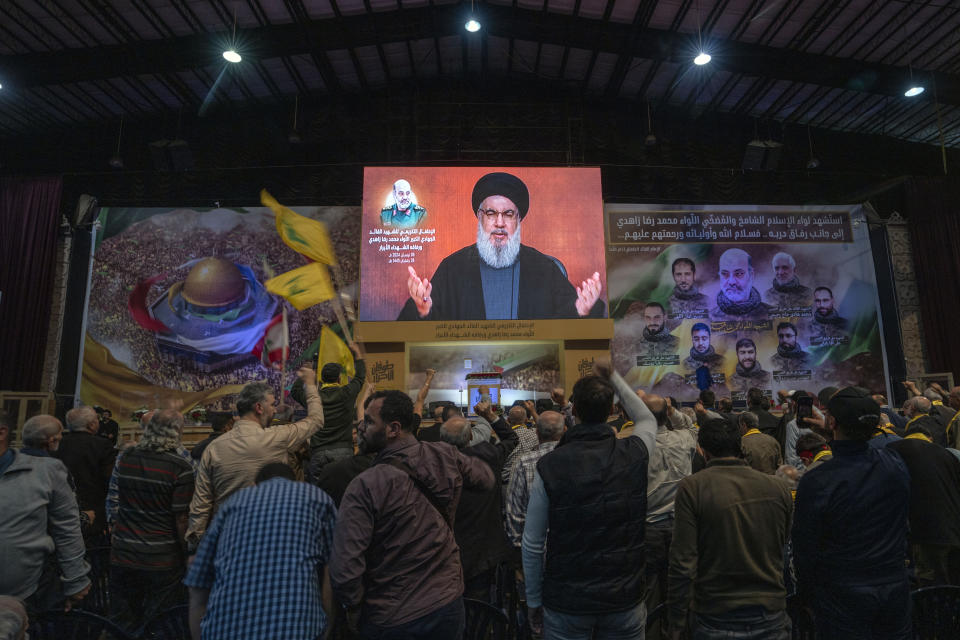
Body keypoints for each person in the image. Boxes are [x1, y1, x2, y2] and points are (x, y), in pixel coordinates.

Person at [330, 390, 495, 638]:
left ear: (393, 428)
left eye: (369, 421)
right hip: (447, 602)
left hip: (392, 615)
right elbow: (485, 479)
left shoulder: (364, 485)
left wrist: (355, 609)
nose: (361, 427)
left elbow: (345, 570)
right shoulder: (444, 455)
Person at [523, 359, 658, 638]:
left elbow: (533, 544)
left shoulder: (550, 465)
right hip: (624, 598)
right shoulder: (634, 453)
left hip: (566, 602)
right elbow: (646, 418)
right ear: (612, 410)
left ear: (574, 410)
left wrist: (534, 600)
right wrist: (613, 377)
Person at [398, 172, 605, 320]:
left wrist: (581, 309)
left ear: (518, 219)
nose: (499, 222)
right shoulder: (453, 267)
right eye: (491, 214)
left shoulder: (543, 268)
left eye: (508, 214)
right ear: (480, 217)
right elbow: (429, 323)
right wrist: (423, 311)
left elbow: (567, 318)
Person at [792, 388, 911, 639]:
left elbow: (805, 550)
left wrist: (805, 597)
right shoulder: (894, 464)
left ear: (832, 422)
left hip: (843, 594)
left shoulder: (818, 480)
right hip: (894, 585)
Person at [668, 418, 793, 640]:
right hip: (771, 612)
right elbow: (783, 545)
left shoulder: (692, 488)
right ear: (740, 446)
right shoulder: (779, 488)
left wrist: (676, 622)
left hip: (715, 614)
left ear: (703, 451)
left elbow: (683, 562)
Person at [185, 462, 337, 640]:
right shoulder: (317, 497)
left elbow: (197, 587)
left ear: (255, 485)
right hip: (296, 630)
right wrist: (328, 627)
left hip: (224, 631)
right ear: (296, 481)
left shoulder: (233, 503)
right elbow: (333, 567)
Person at [186, 367, 323, 548]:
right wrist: (310, 385)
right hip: (270, 538)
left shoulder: (214, 448)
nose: (275, 411)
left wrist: (195, 544)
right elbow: (316, 420)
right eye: (272, 405)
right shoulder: (276, 437)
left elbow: (201, 504)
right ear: (259, 407)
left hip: (227, 539)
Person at [110, 410, 194, 634]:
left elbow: (116, 499)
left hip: (123, 551)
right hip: (161, 557)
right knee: (159, 622)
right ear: (175, 432)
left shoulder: (126, 457)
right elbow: (181, 518)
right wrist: (187, 551)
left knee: (123, 621)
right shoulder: (180, 467)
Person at [0, 409, 91, 612]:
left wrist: (75, 579)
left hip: (27, 597)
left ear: (2, 432)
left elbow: (67, 527)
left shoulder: (46, 471)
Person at [441, 406, 518, 599]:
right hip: (484, 549)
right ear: (469, 438)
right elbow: (511, 439)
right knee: (481, 606)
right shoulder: (487, 455)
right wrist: (490, 415)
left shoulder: (434, 464)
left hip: (446, 550)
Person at [640, 394, 697, 608]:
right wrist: (671, 411)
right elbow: (690, 425)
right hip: (681, 527)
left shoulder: (635, 445)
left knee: (650, 589)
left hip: (649, 527)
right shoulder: (685, 438)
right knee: (682, 587)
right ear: (667, 415)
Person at [886, 433, 960, 586]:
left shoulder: (894, 453)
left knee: (932, 584)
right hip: (954, 528)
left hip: (928, 534)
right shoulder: (946, 454)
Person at [305, 341, 365, 482]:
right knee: (343, 491)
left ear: (321, 378)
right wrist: (358, 354)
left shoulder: (314, 397)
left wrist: (310, 371)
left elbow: (296, 391)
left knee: (318, 493)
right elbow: (360, 377)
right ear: (339, 379)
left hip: (318, 452)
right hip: (343, 452)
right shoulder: (347, 393)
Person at [505, 411, 566, 548]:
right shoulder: (576, 458)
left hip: (534, 545)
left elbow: (515, 512)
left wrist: (520, 545)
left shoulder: (523, 462)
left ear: (537, 433)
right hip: (570, 545)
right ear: (564, 431)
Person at [55, 405, 117, 538]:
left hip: (59, 507)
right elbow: (108, 480)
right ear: (92, 425)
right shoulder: (103, 446)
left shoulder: (58, 443)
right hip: (93, 510)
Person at [709, 248, 771, 323]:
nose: (731, 282)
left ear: (751, 275)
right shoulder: (710, 318)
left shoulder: (771, 315)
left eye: (739, 274)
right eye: (725, 274)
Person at [667, 257, 710, 322]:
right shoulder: (667, 303)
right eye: (679, 274)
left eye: (687, 274)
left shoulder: (707, 301)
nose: (683, 279)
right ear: (673, 276)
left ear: (694, 275)